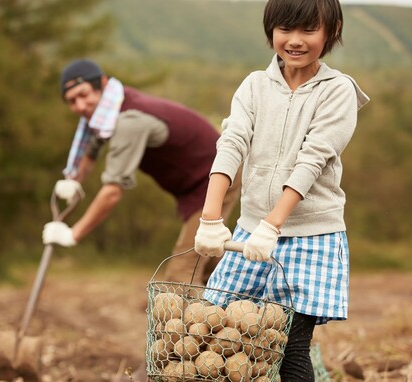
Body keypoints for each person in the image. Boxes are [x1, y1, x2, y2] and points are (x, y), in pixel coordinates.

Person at [194, 0, 369, 380]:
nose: (294, 41)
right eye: (285, 29)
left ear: (331, 31)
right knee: (218, 330)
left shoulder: (337, 91)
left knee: (289, 347)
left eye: (308, 30)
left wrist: (273, 226)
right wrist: (210, 217)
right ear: (270, 30)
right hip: (250, 231)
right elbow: (232, 143)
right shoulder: (255, 85)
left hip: (311, 236)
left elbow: (313, 160)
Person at [42, 58, 241, 286]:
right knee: (211, 262)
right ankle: (242, 303)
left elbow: (112, 193)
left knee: (181, 274)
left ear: (103, 84)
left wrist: (73, 234)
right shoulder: (110, 108)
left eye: (83, 94)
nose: (79, 106)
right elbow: (91, 149)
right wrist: (73, 180)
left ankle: (191, 319)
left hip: (216, 176)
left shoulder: (129, 121)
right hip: (194, 183)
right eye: (71, 101)